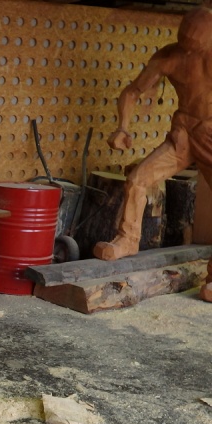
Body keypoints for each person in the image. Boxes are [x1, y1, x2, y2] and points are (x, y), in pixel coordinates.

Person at [93, 3, 212, 302]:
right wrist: (122, 127)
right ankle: (128, 239)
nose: (189, 49)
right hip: (183, 135)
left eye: (196, 44)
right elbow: (133, 92)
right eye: (185, 41)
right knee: (137, 179)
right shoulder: (169, 57)